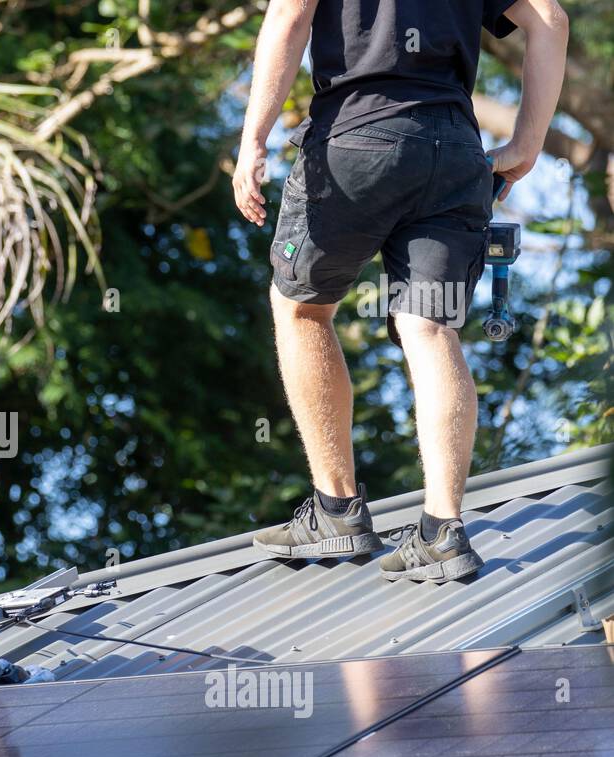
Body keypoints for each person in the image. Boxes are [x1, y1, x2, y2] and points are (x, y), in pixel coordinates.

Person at [233, 0, 568, 582]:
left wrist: (253, 140)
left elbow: (288, 16)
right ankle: (444, 531)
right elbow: (552, 21)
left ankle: (337, 511)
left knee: (303, 309)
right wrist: (526, 144)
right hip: (454, 153)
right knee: (430, 327)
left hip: (356, 137)